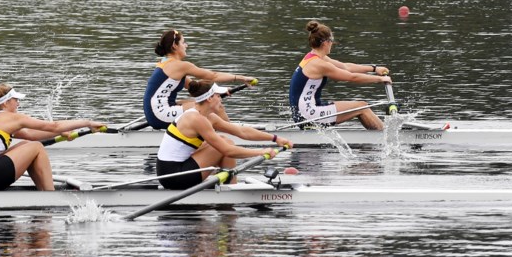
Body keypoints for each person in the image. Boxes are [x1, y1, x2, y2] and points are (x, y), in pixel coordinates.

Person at [0, 79, 105, 191]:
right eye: (16, 100)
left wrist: (60, 132)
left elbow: (29, 135)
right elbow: (53, 125)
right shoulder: (9, 117)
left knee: (28, 144)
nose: (18, 104)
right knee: (36, 147)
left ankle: (44, 192)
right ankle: (50, 196)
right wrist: (87, 122)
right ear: (6, 102)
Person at [156, 79, 292, 190]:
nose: (221, 99)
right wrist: (260, 152)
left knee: (224, 140)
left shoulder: (207, 116)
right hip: (173, 176)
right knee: (224, 145)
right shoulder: (196, 119)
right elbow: (227, 151)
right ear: (209, 98)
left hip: (175, 170)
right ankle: (230, 189)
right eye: (218, 95)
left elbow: (241, 131)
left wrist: (275, 138)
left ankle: (229, 186)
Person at [143, 29, 257, 130]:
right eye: (183, 42)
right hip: (160, 114)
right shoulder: (179, 66)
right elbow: (213, 76)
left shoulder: (167, 63)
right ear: (175, 46)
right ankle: (233, 134)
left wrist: (218, 91)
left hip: (157, 111)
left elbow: (195, 87)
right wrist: (241, 78)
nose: (186, 45)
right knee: (215, 105)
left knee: (206, 102)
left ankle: (217, 129)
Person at [289, 21, 392, 130]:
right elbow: (352, 77)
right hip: (308, 115)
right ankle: (387, 138)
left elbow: (346, 67)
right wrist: (380, 79)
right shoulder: (319, 64)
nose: (332, 44)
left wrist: (374, 68)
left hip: (305, 112)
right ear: (325, 42)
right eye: (331, 41)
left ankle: (381, 135)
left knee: (361, 106)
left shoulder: (313, 56)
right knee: (362, 106)